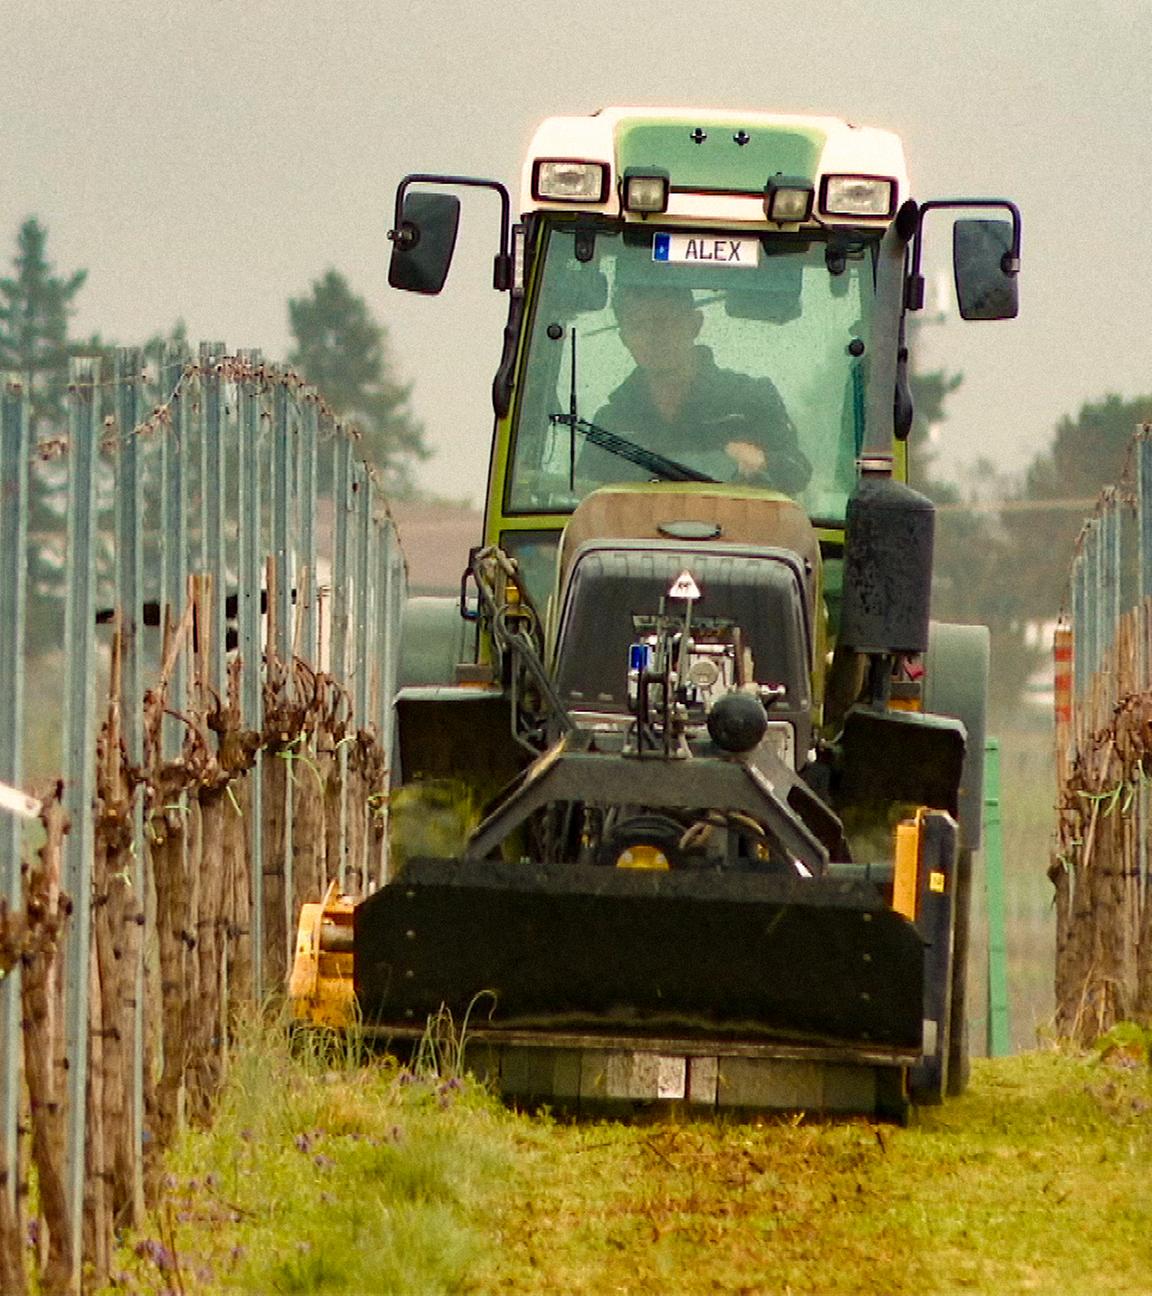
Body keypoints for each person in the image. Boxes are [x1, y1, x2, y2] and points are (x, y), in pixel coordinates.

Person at [578, 283, 811, 494]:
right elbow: (584, 497)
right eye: (638, 326)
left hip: (738, 539)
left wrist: (762, 462)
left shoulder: (751, 400)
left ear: (695, 324)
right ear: (624, 338)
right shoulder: (611, 422)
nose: (653, 337)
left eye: (664, 322)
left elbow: (798, 472)